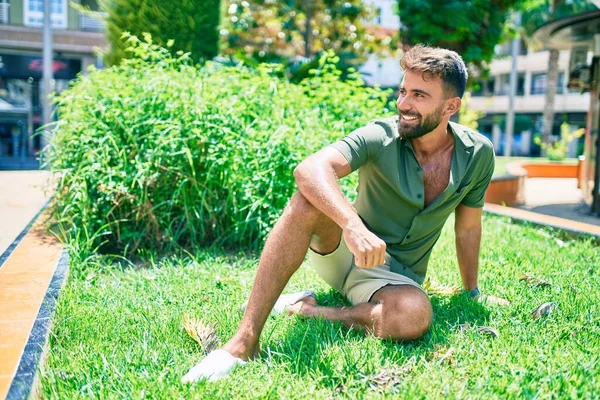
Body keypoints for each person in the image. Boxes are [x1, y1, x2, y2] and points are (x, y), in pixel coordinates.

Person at [182, 44, 497, 383]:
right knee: (305, 200)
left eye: (419, 95)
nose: (404, 104)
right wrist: (351, 225)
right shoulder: (380, 134)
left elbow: (467, 227)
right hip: (344, 253)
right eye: (402, 91)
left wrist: (472, 291)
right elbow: (310, 169)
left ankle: (308, 310)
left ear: (451, 106)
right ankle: (244, 343)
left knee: (414, 315)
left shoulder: (477, 154)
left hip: (395, 278)